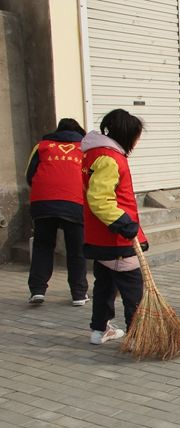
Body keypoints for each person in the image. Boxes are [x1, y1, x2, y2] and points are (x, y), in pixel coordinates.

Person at [81, 109, 148, 344]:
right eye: (136, 136)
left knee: (105, 286)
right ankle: (137, 337)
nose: (137, 141)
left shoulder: (95, 154)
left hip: (101, 238)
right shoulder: (109, 158)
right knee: (133, 292)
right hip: (116, 239)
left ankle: (99, 330)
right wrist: (124, 224)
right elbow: (99, 198)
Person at [26, 118, 89, 306]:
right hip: (74, 203)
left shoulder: (42, 145)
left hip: (43, 202)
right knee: (76, 250)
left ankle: (37, 291)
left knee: (42, 246)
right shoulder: (84, 148)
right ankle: (78, 294)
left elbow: (30, 176)